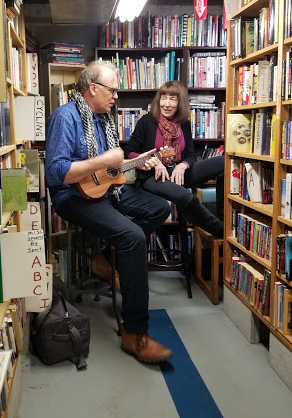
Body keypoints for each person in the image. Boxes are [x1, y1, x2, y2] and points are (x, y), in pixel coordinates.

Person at [45, 60, 173, 364]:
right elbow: (55, 173)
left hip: (106, 190)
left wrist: (133, 162)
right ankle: (134, 333)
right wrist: (103, 161)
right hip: (73, 198)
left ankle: (104, 257)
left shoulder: (103, 119)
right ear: (93, 88)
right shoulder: (65, 118)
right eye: (112, 89)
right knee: (132, 238)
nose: (116, 95)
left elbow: (113, 169)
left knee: (160, 207)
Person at [123, 80, 224, 238]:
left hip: (177, 172)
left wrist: (182, 165)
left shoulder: (184, 124)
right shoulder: (147, 122)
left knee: (223, 162)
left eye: (173, 99)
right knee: (186, 197)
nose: (167, 104)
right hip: (152, 175)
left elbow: (190, 155)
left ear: (180, 103)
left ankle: (225, 218)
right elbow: (129, 152)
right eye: (164, 98)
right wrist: (153, 161)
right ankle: (222, 231)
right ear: (158, 101)